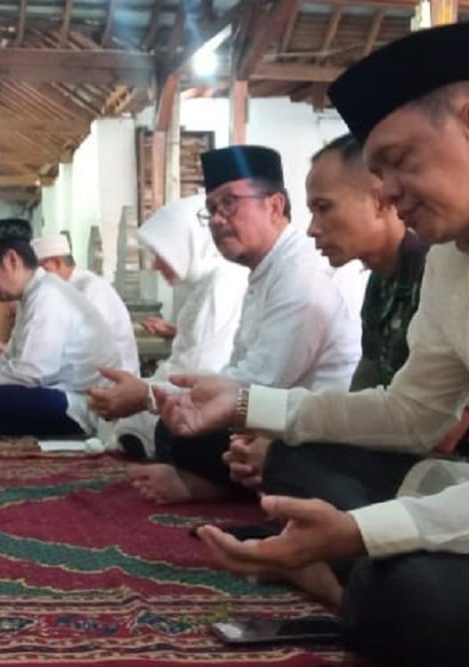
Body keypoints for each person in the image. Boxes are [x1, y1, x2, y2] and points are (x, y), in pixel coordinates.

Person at [155, 23, 469, 665]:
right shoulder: (449, 260)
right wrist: (247, 403)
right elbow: (409, 413)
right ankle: (352, 577)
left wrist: (361, 530)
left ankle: (345, 576)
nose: (387, 194)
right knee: (300, 467)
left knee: (412, 594)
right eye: (377, 173)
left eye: (401, 161)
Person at [88, 145, 362, 497]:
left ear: (275, 205)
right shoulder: (265, 271)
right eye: (212, 209)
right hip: (269, 417)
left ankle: (213, 487)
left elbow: (261, 385)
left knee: (186, 434)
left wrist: (147, 395)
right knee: (178, 429)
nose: (218, 219)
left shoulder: (301, 273)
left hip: (307, 431)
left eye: (230, 203)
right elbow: (237, 374)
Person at [230, 134, 469, 494]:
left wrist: (261, 419)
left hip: (445, 466)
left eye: (324, 208)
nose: (312, 228)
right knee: (266, 449)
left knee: (291, 460)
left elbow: (442, 434)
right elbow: (373, 397)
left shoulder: (432, 263)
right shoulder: (381, 283)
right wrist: (258, 416)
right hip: (404, 446)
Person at [0, 218, 120, 437]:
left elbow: (31, 373)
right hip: (54, 391)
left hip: (82, 403)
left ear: (11, 260)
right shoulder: (32, 296)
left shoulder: (49, 296)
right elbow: (9, 359)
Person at [106, 194, 249, 457]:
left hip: (224, 405)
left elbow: (204, 375)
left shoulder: (223, 284)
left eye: (163, 252)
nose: (155, 264)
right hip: (209, 396)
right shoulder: (208, 284)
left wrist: (145, 394)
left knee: (163, 428)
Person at [19, 233, 142, 374]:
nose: (37, 278)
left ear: (57, 263)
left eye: (40, 270)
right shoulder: (55, 290)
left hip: (114, 380)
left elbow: (87, 344)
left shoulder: (93, 288)